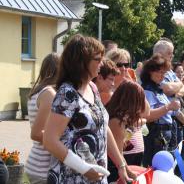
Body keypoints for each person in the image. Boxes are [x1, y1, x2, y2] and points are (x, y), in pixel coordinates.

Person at [43, 34, 132, 184]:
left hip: (95, 176)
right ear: (81, 62)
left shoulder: (92, 87)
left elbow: (103, 127)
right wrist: (84, 168)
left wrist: (121, 164)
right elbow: (50, 140)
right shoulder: (68, 93)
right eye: (97, 59)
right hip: (71, 178)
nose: (102, 64)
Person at [141, 53, 184, 167]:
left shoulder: (158, 89)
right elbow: (148, 116)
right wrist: (168, 107)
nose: (162, 76)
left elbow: (176, 112)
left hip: (165, 133)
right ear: (150, 72)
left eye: (164, 72)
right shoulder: (148, 90)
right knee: (155, 168)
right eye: (160, 72)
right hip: (155, 134)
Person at [106, 48, 148, 170]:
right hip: (118, 151)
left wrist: (133, 84)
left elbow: (146, 111)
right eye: (119, 65)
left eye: (126, 65)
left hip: (136, 147)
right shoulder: (107, 90)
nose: (124, 68)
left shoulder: (130, 88)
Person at [25, 53, 60, 184]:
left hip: (38, 163)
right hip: (43, 167)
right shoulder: (49, 93)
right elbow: (36, 134)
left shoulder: (39, 91)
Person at [106, 81, 150, 183]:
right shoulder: (116, 120)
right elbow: (118, 153)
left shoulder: (121, 117)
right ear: (131, 101)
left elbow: (146, 112)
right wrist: (130, 172)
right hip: (113, 170)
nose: (140, 105)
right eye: (139, 101)